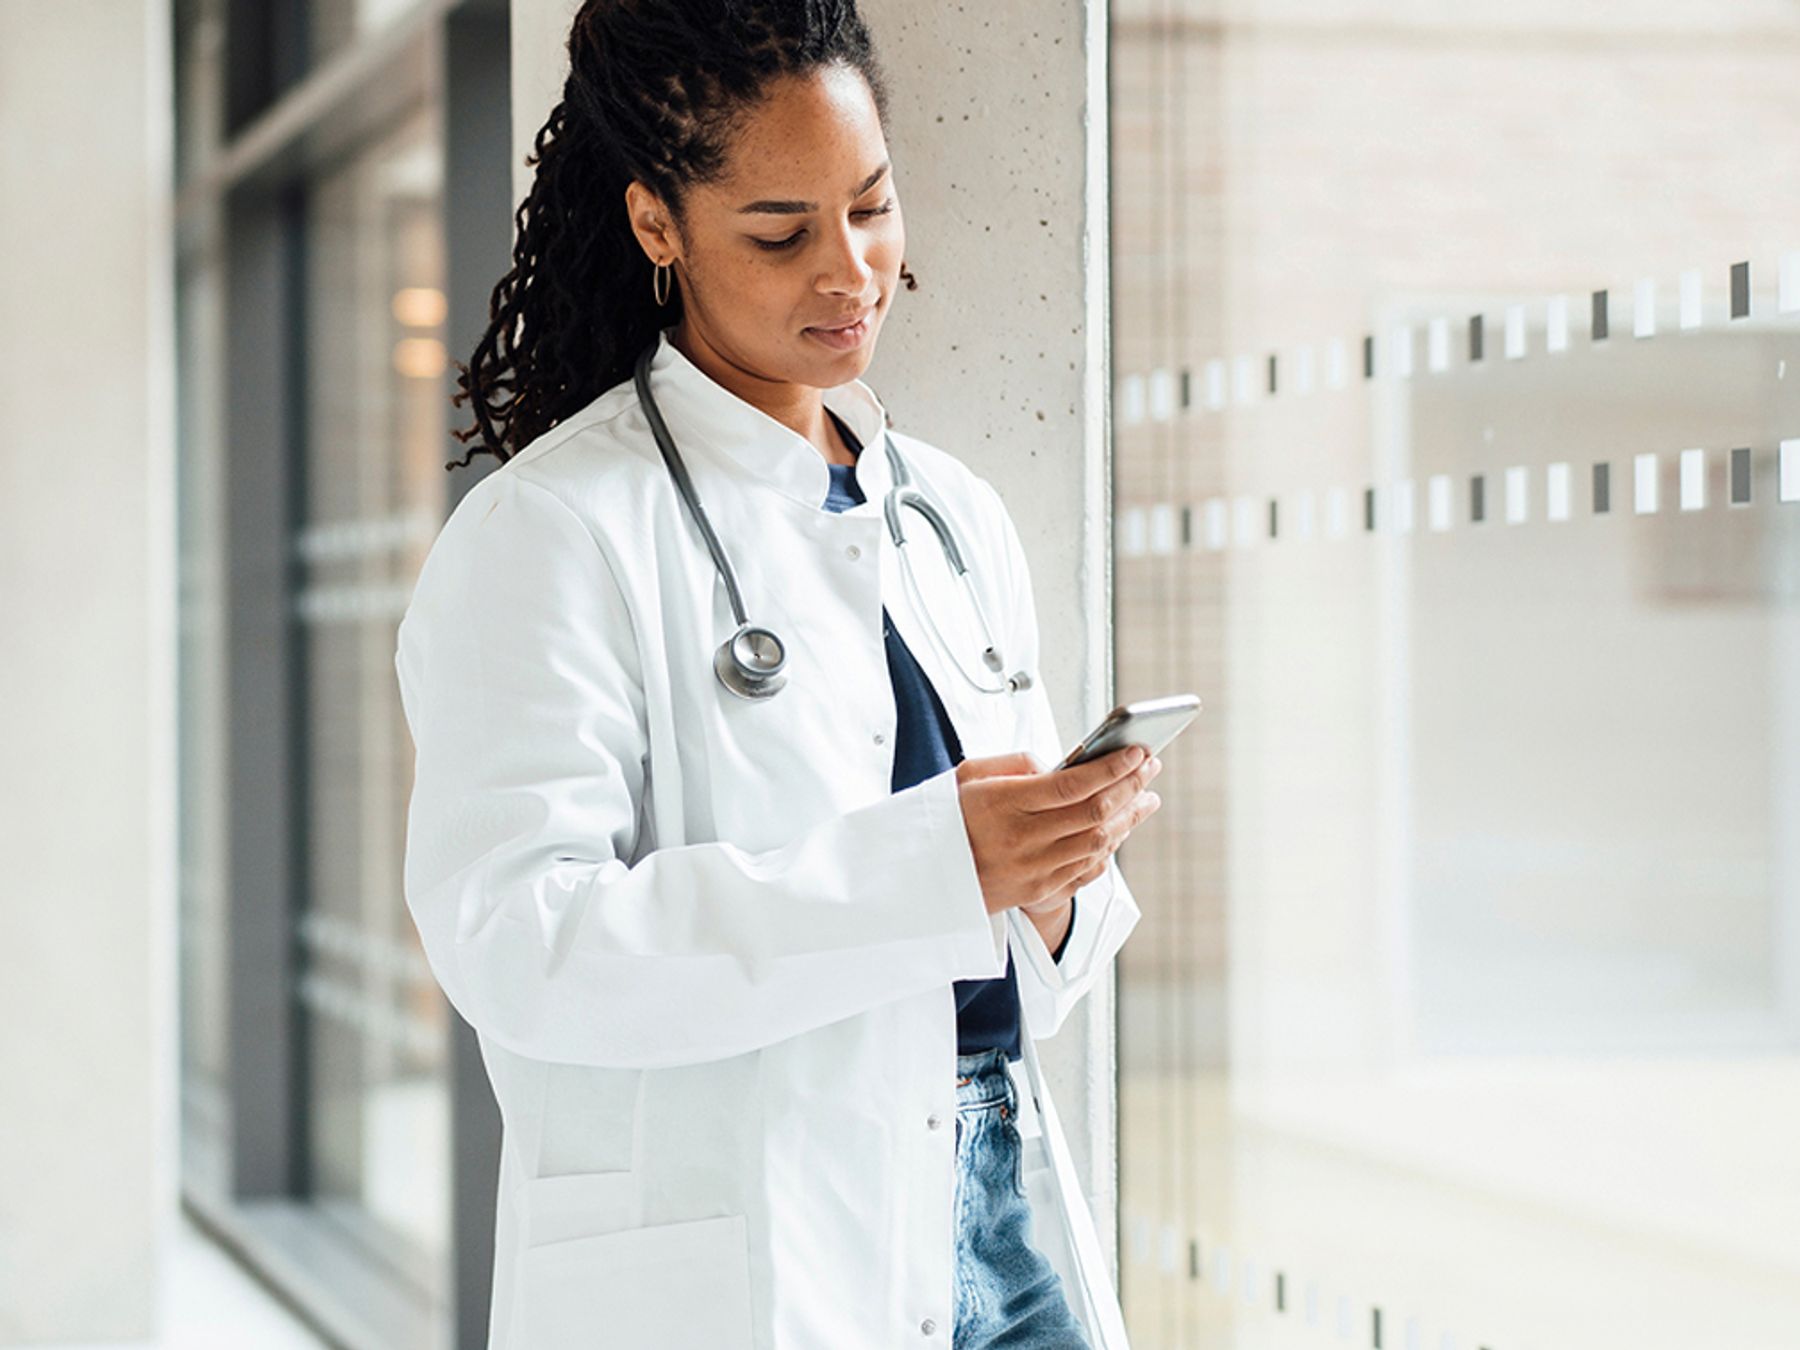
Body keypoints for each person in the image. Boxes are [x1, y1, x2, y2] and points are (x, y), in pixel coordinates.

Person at [395, 2, 1158, 1346]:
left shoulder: (947, 515)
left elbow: (1020, 966)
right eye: (782, 231)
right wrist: (939, 867)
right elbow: (520, 942)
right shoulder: (554, 535)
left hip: (997, 1204)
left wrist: (1053, 875)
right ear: (657, 226)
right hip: (749, 1255)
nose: (851, 271)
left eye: (872, 206)